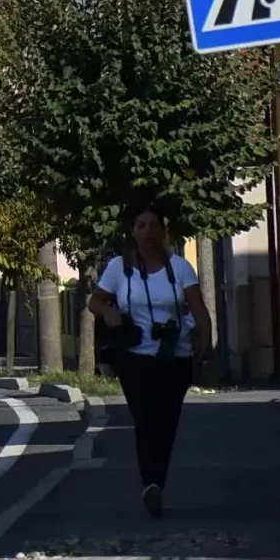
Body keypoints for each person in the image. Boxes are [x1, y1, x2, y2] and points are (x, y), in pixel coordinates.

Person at [91, 198, 214, 517]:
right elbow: (95, 301)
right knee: (145, 419)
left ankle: (157, 481)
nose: (148, 232)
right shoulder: (119, 268)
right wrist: (109, 313)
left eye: (154, 226)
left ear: (163, 231)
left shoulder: (180, 268)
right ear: (132, 232)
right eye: (141, 226)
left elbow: (198, 308)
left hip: (174, 356)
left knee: (167, 422)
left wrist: (206, 339)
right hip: (134, 357)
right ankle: (151, 484)